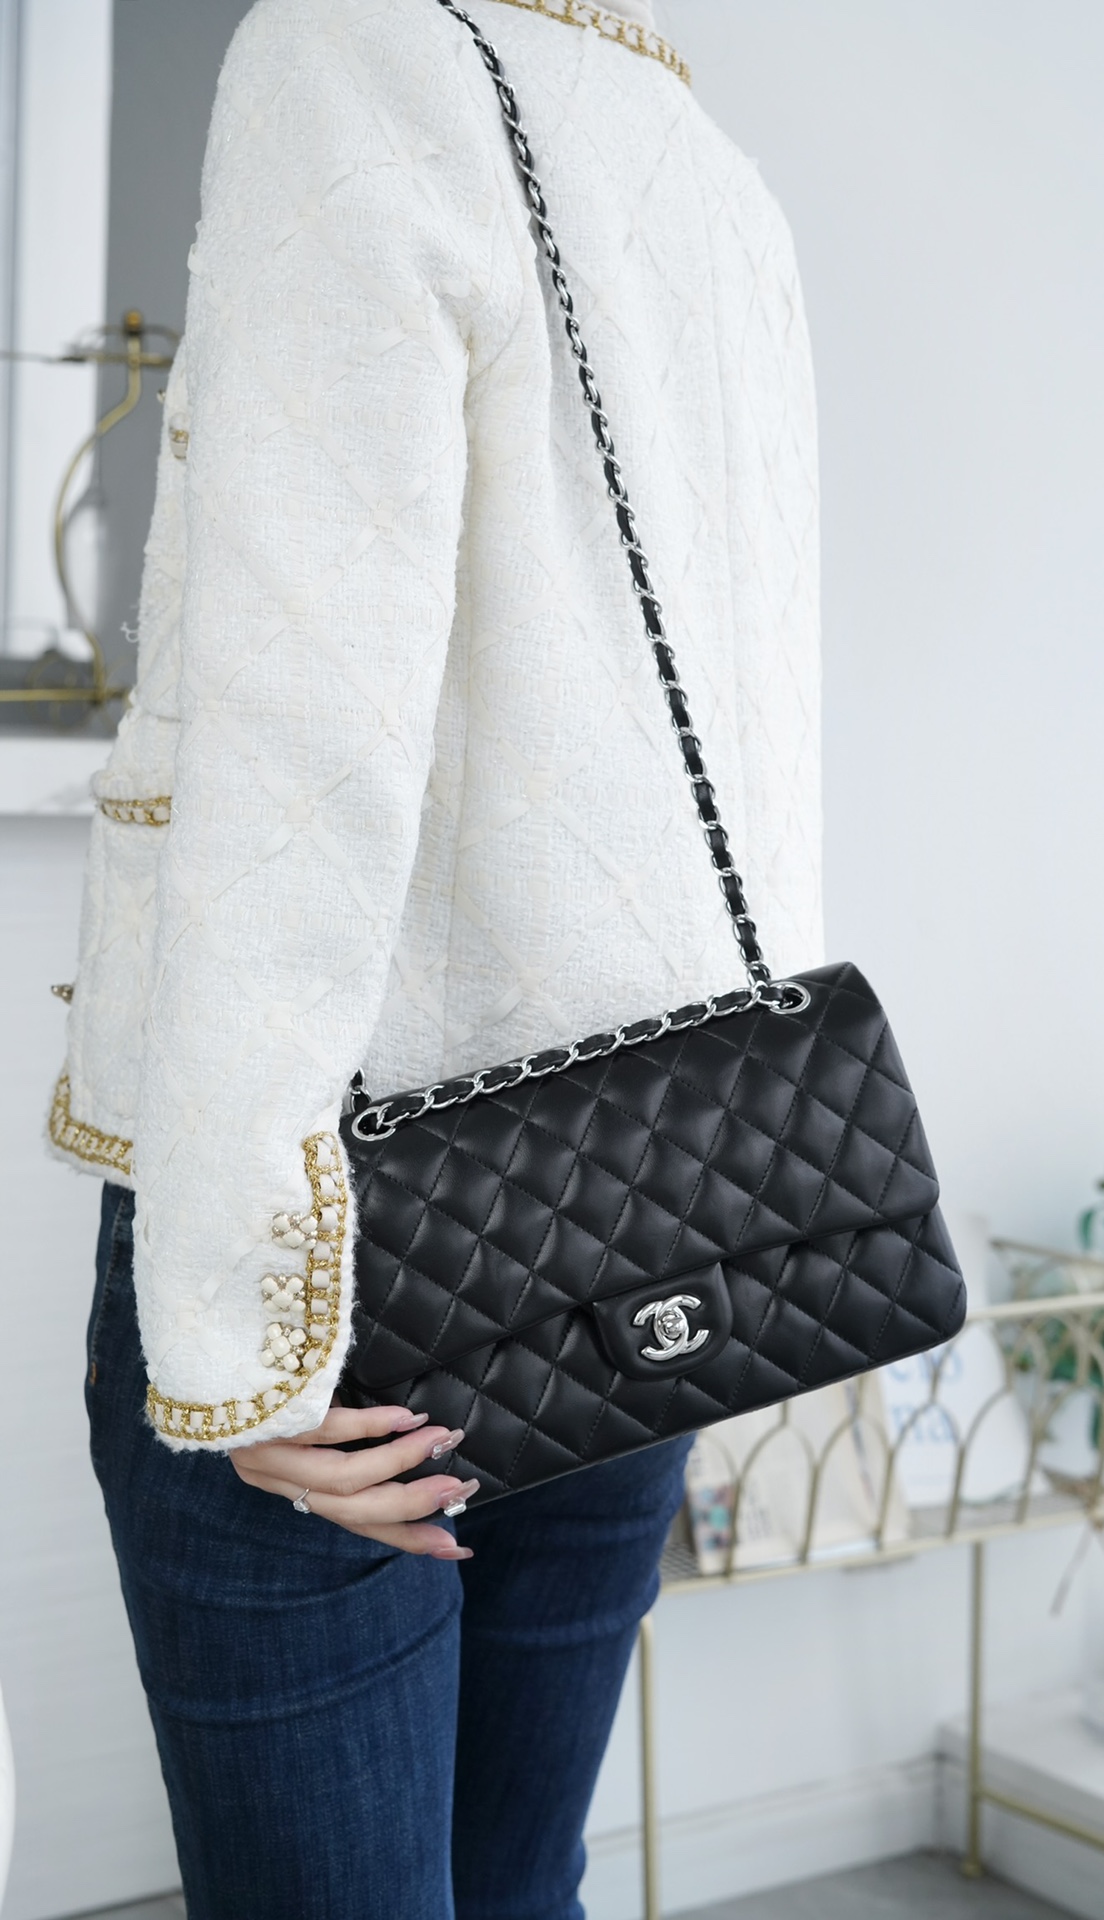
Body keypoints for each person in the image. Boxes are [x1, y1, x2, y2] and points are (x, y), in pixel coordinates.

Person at [54, 1, 822, 1914]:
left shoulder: (355, 55)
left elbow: (298, 737)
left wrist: (244, 1326)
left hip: (351, 1239)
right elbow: (758, 744)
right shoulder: (710, 169)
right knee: (517, 1885)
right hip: (646, 1192)